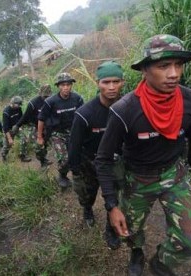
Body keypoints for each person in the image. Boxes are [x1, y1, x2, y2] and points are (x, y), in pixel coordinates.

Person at [95, 34, 191, 276]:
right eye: (164, 66)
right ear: (145, 70)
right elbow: (103, 159)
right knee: (131, 230)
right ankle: (137, 252)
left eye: (178, 65)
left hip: (173, 176)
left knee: (190, 243)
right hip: (137, 179)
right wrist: (112, 205)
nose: (174, 73)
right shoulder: (124, 110)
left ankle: (160, 262)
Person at [68, 61, 125, 252]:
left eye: (115, 81)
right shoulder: (85, 114)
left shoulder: (128, 107)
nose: (111, 87)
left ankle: (111, 229)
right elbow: (74, 145)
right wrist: (75, 170)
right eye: (106, 82)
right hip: (89, 161)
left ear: (122, 82)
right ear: (98, 83)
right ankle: (87, 208)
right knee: (87, 194)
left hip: (114, 162)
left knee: (114, 198)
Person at [37, 73, 84, 188]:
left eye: (68, 84)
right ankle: (62, 175)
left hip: (73, 132)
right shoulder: (51, 102)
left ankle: (78, 175)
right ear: (58, 86)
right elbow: (41, 119)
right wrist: (40, 137)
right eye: (63, 85)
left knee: (77, 156)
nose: (66, 87)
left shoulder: (77, 98)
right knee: (64, 159)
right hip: (57, 134)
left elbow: (83, 116)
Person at [13, 84, 53, 167]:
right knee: (38, 145)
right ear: (40, 94)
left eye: (47, 96)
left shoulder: (52, 101)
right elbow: (25, 116)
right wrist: (17, 125)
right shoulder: (33, 103)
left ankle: (43, 157)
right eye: (44, 96)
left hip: (44, 124)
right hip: (31, 125)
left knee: (45, 142)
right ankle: (42, 161)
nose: (46, 98)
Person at [1, 96, 31, 162]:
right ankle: (4, 156)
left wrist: (21, 129)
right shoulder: (6, 112)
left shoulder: (19, 109)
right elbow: (5, 127)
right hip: (8, 130)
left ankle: (22, 156)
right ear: (13, 103)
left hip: (16, 127)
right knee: (7, 146)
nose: (19, 106)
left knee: (23, 138)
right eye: (18, 104)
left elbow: (21, 120)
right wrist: (9, 138)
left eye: (20, 104)